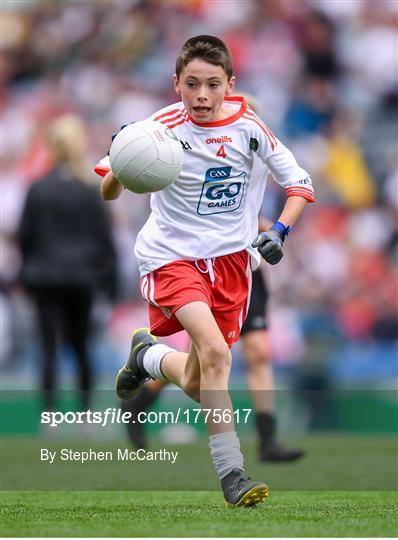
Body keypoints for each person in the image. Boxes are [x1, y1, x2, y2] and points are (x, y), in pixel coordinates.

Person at [97, 36, 314, 507]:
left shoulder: (250, 126)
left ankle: (148, 359)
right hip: (171, 259)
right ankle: (233, 474)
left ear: (229, 85)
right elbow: (109, 192)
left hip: (233, 264)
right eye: (191, 84)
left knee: (199, 381)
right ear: (175, 83)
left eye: (212, 85)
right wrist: (123, 165)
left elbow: (299, 183)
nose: (201, 95)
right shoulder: (155, 128)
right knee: (217, 354)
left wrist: (278, 231)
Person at [18, 114, 117, 412]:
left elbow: (26, 235)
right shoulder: (89, 189)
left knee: (48, 348)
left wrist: (29, 270)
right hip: (81, 278)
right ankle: (85, 415)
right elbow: (104, 240)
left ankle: (50, 416)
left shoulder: (39, 188)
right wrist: (108, 283)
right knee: (82, 346)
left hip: (45, 278)